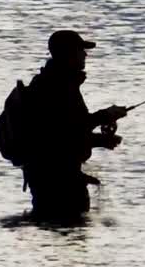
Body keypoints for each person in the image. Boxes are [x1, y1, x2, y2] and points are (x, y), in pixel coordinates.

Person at [21, 30, 130, 220]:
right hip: (58, 181)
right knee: (68, 228)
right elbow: (67, 131)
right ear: (69, 55)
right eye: (81, 50)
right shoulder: (58, 87)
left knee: (51, 225)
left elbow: (61, 134)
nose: (85, 55)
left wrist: (99, 140)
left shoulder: (52, 82)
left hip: (47, 176)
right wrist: (105, 116)